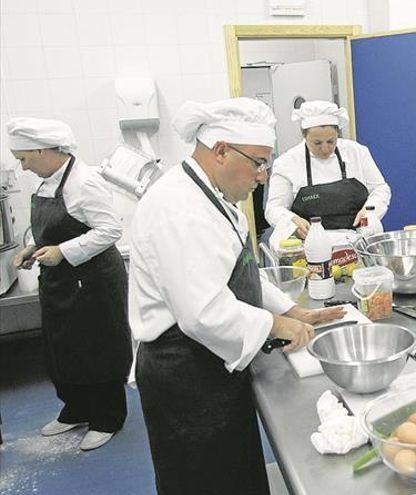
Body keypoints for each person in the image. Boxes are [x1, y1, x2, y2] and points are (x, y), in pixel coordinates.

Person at [127, 97, 345, 494]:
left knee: (235, 474)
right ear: (221, 150)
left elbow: (240, 271)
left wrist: (291, 309)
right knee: (205, 481)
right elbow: (203, 313)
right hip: (186, 371)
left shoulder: (214, 197)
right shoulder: (179, 208)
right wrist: (276, 325)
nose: (263, 176)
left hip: (212, 362)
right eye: (258, 163)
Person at [8, 118, 131, 451]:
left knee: (97, 346)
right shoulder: (45, 184)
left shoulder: (84, 182)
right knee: (62, 346)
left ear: (42, 150)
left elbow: (110, 230)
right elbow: (49, 228)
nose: (23, 167)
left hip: (94, 280)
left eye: (24, 159)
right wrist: (32, 248)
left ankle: (107, 418)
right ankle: (76, 408)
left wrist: (63, 251)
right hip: (60, 280)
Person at [264, 100, 391, 239]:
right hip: (310, 242)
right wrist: (292, 221)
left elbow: (381, 189)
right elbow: (274, 209)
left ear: (338, 134)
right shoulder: (286, 163)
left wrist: (370, 211)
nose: (325, 149)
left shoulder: (357, 152)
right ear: (304, 136)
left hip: (359, 239)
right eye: (317, 143)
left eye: (331, 141)